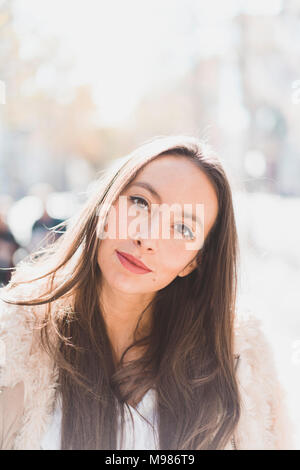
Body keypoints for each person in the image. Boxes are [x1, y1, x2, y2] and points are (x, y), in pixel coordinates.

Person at [0, 135, 295, 450]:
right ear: (106, 205)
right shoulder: (14, 342)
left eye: (183, 228)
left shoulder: (239, 359)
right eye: (139, 202)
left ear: (193, 261)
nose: (147, 237)